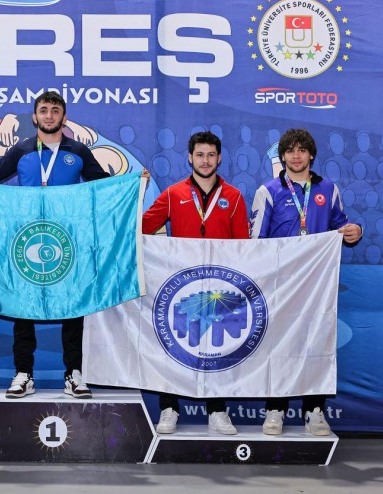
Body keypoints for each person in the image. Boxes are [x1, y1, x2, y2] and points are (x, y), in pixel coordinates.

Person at [0, 91, 109, 399]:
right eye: (43, 110)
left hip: (66, 241)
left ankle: (73, 373)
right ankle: (23, 373)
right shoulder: (22, 150)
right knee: (23, 304)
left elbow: (103, 185)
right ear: (34, 117)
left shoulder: (78, 151)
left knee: (73, 304)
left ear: (64, 117)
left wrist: (133, 183)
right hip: (26, 238)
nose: (49, 115)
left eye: (55, 110)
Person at [251, 128, 362, 436]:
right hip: (280, 285)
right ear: (282, 156)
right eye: (290, 151)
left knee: (316, 344)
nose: (296, 156)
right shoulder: (268, 191)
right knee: (279, 346)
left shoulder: (328, 188)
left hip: (317, 285)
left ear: (311, 154)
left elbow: (342, 227)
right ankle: (275, 409)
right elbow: (256, 242)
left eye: (302, 150)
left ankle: (314, 410)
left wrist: (355, 231)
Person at [142, 131, 249, 435]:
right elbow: (142, 226)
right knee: (174, 347)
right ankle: (169, 408)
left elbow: (243, 246)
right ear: (189, 157)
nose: (205, 161)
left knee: (217, 348)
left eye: (211, 155)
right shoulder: (173, 194)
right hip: (181, 285)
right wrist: (134, 193)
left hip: (219, 287)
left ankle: (217, 411)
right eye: (200, 155)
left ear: (219, 158)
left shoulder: (233, 196)